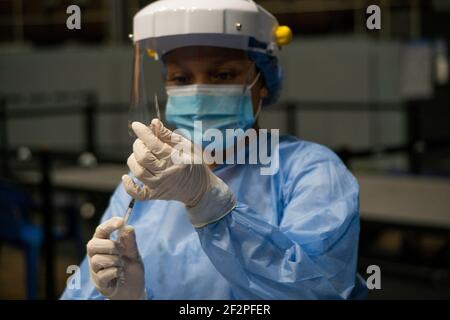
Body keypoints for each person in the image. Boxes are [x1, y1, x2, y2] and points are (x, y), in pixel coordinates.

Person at [61, 0, 367, 300]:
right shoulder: (144, 181)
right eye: (181, 78)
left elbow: (317, 288)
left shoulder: (311, 171)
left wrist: (210, 203)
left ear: (262, 83)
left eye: (223, 75)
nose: (198, 92)